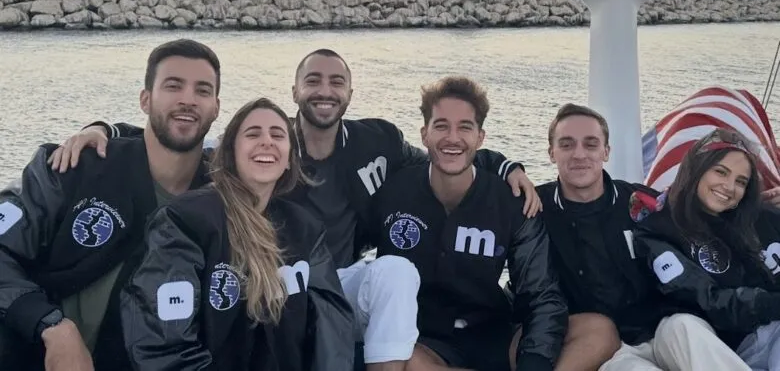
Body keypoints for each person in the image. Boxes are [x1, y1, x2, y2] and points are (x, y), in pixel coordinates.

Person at [49, 49, 541, 371]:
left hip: (333, 277)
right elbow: (183, 138)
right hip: (270, 277)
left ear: (350, 93)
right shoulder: (267, 144)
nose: (324, 90)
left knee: (395, 271)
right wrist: (106, 130)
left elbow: (447, 151)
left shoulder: (378, 141)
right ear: (295, 91)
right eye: (313, 80)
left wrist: (504, 165)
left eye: (336, 81)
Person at [0, 39, 220, 371]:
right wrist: (50, 326)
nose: (188, 99)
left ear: (216, 107)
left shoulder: (224, 194)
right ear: (145, 99)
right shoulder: (75, 167)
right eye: (173, 86)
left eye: (202, 90)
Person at [121, 97, 353, 371]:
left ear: (290, 160)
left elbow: (330, 328)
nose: (266, 141)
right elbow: (164, 344)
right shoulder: (186, 222)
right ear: (231, 153)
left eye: (277, 135)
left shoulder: (305, 229)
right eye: (253, 134)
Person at [365, 76, 567, 371]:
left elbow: (542, 295)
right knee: (403, 360)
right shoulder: (393, 191)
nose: (453, 138)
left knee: (597, 330)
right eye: (441, 126)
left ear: (480, 138)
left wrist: (534, 363)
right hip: (424, 341)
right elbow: (352, 257)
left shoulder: (511, 200)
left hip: (494, 334)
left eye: (465, 127)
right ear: (424, 134)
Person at [534, 104, 751, 371]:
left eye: (591, 144)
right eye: (567, 144)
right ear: (551, 153)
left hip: (663, 327)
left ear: (606, 151)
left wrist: (764, 208)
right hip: (610, 349)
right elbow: (487, 192)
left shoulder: (642, 202)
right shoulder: (534, 209)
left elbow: (704, 214)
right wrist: (510, 168)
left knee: (687, 327)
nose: (579, 154)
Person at [634, 128, 780, 371]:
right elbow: (707, 300)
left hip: (771, 330)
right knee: (680, 325)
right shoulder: (659, 230)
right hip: (716, 342)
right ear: (697, 169)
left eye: (741, 182)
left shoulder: (762, 218)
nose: (729, 187)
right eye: (720, 172)